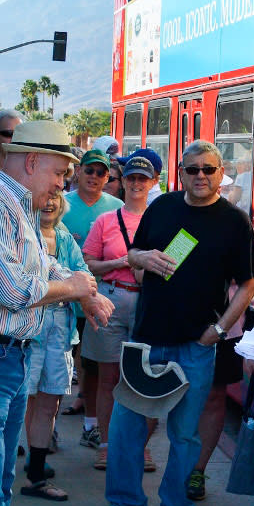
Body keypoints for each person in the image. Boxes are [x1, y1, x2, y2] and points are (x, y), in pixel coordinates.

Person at [0, 120, 110, 506]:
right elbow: (14, 290)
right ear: (31, 161)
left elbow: (43, 264)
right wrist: (77, 289)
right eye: (59, 172)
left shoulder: (17, 204)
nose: (62, 184)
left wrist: (81, 287)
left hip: (2, 355)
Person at [93, 141, 254, 506]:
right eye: (192, 169)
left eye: (208, 169)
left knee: (184, 436)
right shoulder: (162, 207)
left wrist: (218, 330)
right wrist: (141, 257)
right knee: (126, 431)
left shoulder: (235, 221)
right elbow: (134, 254)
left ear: (221, 173)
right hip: (147, 340)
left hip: (196, 347)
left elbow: (248, 284)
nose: (200, 175)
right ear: (180, 173)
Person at [81, 151, 159, 469]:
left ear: (154, 182)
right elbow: (87, 263)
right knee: (108, 377)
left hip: (150, 303)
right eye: (131, 178)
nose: (137, 183)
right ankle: (107, 443)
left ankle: (140, 446)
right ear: (123, 182)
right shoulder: (106, 220)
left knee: (144, 378)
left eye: (143, 178)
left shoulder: (164, 217)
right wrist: (119, 262)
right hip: (112, 299)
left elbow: (176, 261)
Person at [20, 192, 90, 502]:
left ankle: (36, 470)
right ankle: (11, 465)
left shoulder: (64, 237)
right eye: (44, 197)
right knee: (22, 399)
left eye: (55, 198)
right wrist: (70, 287)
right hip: (28, 330)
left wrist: (81, 288)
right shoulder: (21, 232)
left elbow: (85, 275)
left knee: (50, 401)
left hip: (61, 331)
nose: (49, 203)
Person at [63, 150, 126, 434]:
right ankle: (48, 430)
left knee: (94, 365)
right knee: (59, 367)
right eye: (90, 171)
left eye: (102, 173)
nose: (95, 177)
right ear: (78, 171)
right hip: (64, 300)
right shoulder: (61, 205)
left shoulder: (116, 207)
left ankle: (91, 425)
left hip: (102, 303)